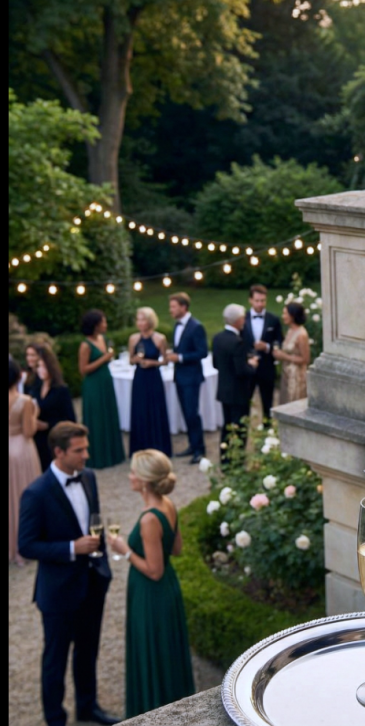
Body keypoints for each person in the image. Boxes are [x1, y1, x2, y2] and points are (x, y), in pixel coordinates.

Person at [18, 421, 119, 726]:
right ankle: (55, 719)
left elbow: (95, 519)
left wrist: (100, 557)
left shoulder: (88, 477)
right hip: (59, 592)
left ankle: (88, 708)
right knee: (55, 661)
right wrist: (72, 548)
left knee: (87, 652)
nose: (86, 455)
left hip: (91, 582)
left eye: (85, 448)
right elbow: (27, 545)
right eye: (79, 450)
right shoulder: (36, 493)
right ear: (59, 452)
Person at [105, 449, 195, 718]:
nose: (129, 476)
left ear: (144, 480)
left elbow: (153, 571)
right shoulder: (167, 504)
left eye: (133, 472)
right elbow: (176, 549)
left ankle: (153, 712)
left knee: (152, 652)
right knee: (168, 651)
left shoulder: (149, 519)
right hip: (169, 587)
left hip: (151, 593)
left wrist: (125, 549)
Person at [211, 304, 259, 459]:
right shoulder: (237, 342)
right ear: (238, 320)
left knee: (227, 426)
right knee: (239, 428)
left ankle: (225, 457)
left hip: (224, 390)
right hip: (238, 392)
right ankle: (237, 459)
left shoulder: (217, 338)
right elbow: (242, 371)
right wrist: (252, 365)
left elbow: (215, 364)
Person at [165, 293, 208, 465]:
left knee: (192, 413)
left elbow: (202, 352)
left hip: (191, 377)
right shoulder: (177, 326)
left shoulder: (196, 327)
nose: (170, 310)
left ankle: (199, 449)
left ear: (183, 307)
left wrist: (180, 357)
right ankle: (192, 444)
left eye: (173, 307)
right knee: (186, 413)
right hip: (180, 377)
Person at [79, 309, 125, 469]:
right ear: (95, 325)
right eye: (103, 322)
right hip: (94, 385)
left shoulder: (103, 339)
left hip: (106, 381)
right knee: (97, 418)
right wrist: (104, 359)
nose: (105, 325)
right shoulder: (86, 345)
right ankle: (97, 457)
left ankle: (113, 454)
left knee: (109, 414)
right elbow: (83, 369)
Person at [9, 358, 41, 566]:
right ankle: (29, 542)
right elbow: (29, 431)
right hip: (21, 450)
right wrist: (35, 413)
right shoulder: (25, 401)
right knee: (25, 496)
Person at [128, 307, 172, 457]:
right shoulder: (133, 339)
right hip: (140, 377)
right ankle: (141, 446)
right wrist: (136, 360)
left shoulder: (159, 338)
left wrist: (152, 363)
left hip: (153, 376)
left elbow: (165, 361)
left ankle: (158, 444)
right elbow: (130, 360)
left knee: (155, 408)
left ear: (150, 321)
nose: (140, 323)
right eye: (138, 319)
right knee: (140, 409)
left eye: (143, 319)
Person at [241, 284, 284, 425]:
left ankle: (268, 433)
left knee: (268, 403)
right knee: (244, 402)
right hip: (247, 368)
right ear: (250, 300)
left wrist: (266, 346)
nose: (260, 304)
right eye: (257, 300)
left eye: (263, 301)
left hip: (267, 368)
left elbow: (280, 341)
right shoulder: (242, 319)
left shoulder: (273, 319)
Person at [33, 345, 77, 471]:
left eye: (43, 367)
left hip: (53, 439)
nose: (41, 370)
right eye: (39, 367)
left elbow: (69, 419)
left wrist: (46, 425)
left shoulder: (60, 390)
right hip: (38, 440)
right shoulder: (36, 388)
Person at [274, 302, 311, 404]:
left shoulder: (301, 334)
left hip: (296, 377)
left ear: (293, 315)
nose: (283, 316)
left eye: (285, 314)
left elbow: (305, 359)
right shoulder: (290, 330)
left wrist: (284, 356)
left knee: (293, 402)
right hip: (286, 373)